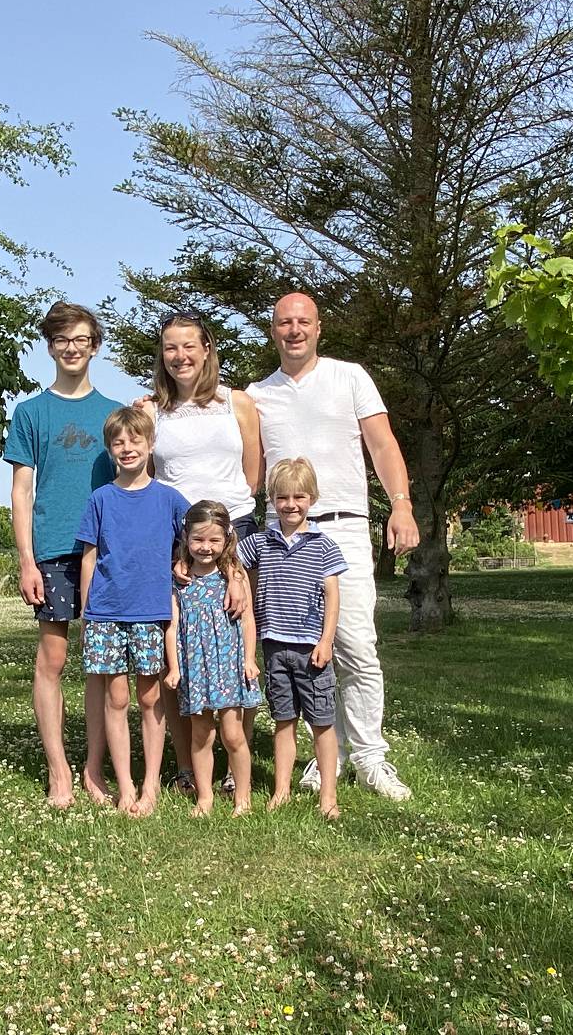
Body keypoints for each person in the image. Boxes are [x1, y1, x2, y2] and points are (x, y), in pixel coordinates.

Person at [245, 292, 421, 801]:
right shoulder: (258, 395)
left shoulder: (350, 377)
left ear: (319, 328)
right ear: (272, 330)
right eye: (284, 322)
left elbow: (383, 445)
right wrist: (153, 406)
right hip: (283, 535)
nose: (294, 330)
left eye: (303, 321)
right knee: (296, 647)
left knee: (355, 647)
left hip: (343, 528)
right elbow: (240, 458)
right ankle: (328, 753)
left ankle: (369, 756)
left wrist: (402, 505)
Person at [138, 314, 261, 798]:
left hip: (234, 531)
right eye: (170, 347)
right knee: (179, 650)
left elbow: (253, 475)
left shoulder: (239, 403)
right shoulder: (152, 412)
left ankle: (237, 762)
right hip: (175, 538)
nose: (180, 356)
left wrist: (230, 557)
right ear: (162, 355)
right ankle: (189, 765)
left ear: (208, 348)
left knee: (233, 644)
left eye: (189, 346)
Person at [6, 302, 119, 809]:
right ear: (50, 347)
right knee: (53, 658)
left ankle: (94, 770)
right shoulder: (31, 413)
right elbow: (21, 491)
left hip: (106, 551)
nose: (71, 348)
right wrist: (26, 560)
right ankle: (59, 770)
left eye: (81, 339)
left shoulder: (116, 414)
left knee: (99, 664)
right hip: (52, 549)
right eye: (61, 341)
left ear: (95, 345)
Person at [76, 406, 190, 815]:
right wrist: (89, 613)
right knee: (117, 698)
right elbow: (89, 559)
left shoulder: (170, 499)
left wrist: (183, 564)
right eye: (118, 443)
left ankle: (151, 785)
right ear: (110, 449)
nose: (127, 448)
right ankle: (125, 785)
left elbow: (198, 540)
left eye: (135, 440)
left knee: (150, 696)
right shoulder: (100, 499)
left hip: (152, 611)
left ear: (150, 445)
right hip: (106, 613)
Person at [237, 458, 346, 819]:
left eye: (299, 496)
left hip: (311, 649)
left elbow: (332, 596)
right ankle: (281, 790)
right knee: (283, 721)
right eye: (282, 497)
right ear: (271, 500)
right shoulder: (259, 542)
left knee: (321, 723)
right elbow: (229, 562)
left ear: (312, 498)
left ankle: (328, 797)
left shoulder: (323, 545)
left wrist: (326, 640)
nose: (291, 504)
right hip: (273, 646)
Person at [164, 500, 261, 817]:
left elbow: (247, 621)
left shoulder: (233, 574)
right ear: (186, 538)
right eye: (198, 540)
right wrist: (175, 667)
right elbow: (172, 625)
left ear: (226, 539)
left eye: (214, 540)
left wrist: (249, 658)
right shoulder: (180, 579)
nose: (205, 547)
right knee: (201, 734)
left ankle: (242, 798)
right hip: (194, 667)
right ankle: (204, 798)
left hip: (228, 666)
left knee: (233, 734)